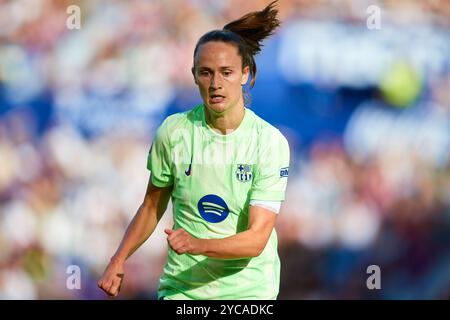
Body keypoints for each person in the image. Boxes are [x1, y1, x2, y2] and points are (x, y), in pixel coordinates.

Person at [98, 0, 290, 300]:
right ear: (194, 75)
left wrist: (197, 244)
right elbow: (151, 207)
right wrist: (118, 259)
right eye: (206, 73)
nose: (215, 84)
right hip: (182, 290)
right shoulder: (174, 132)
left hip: (248, 293)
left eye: (226, 72)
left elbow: (256, 239)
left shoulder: (268, 142)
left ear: (245, 73)